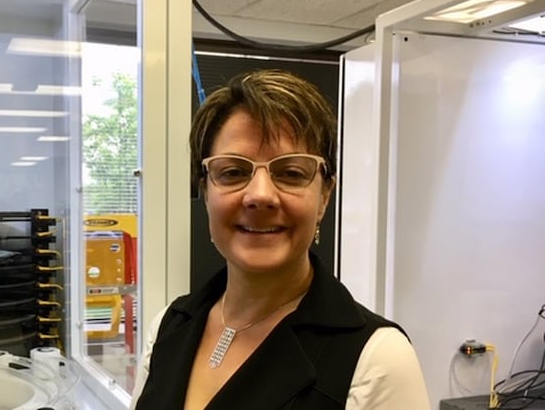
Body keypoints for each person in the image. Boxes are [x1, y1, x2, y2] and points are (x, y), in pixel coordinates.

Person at [130, 69, 429, 409]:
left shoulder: (378, 361)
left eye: (290, 173)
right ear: (206, 192)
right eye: (233, 172)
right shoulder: (167, 327)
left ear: (325, 196)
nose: (260, 195)